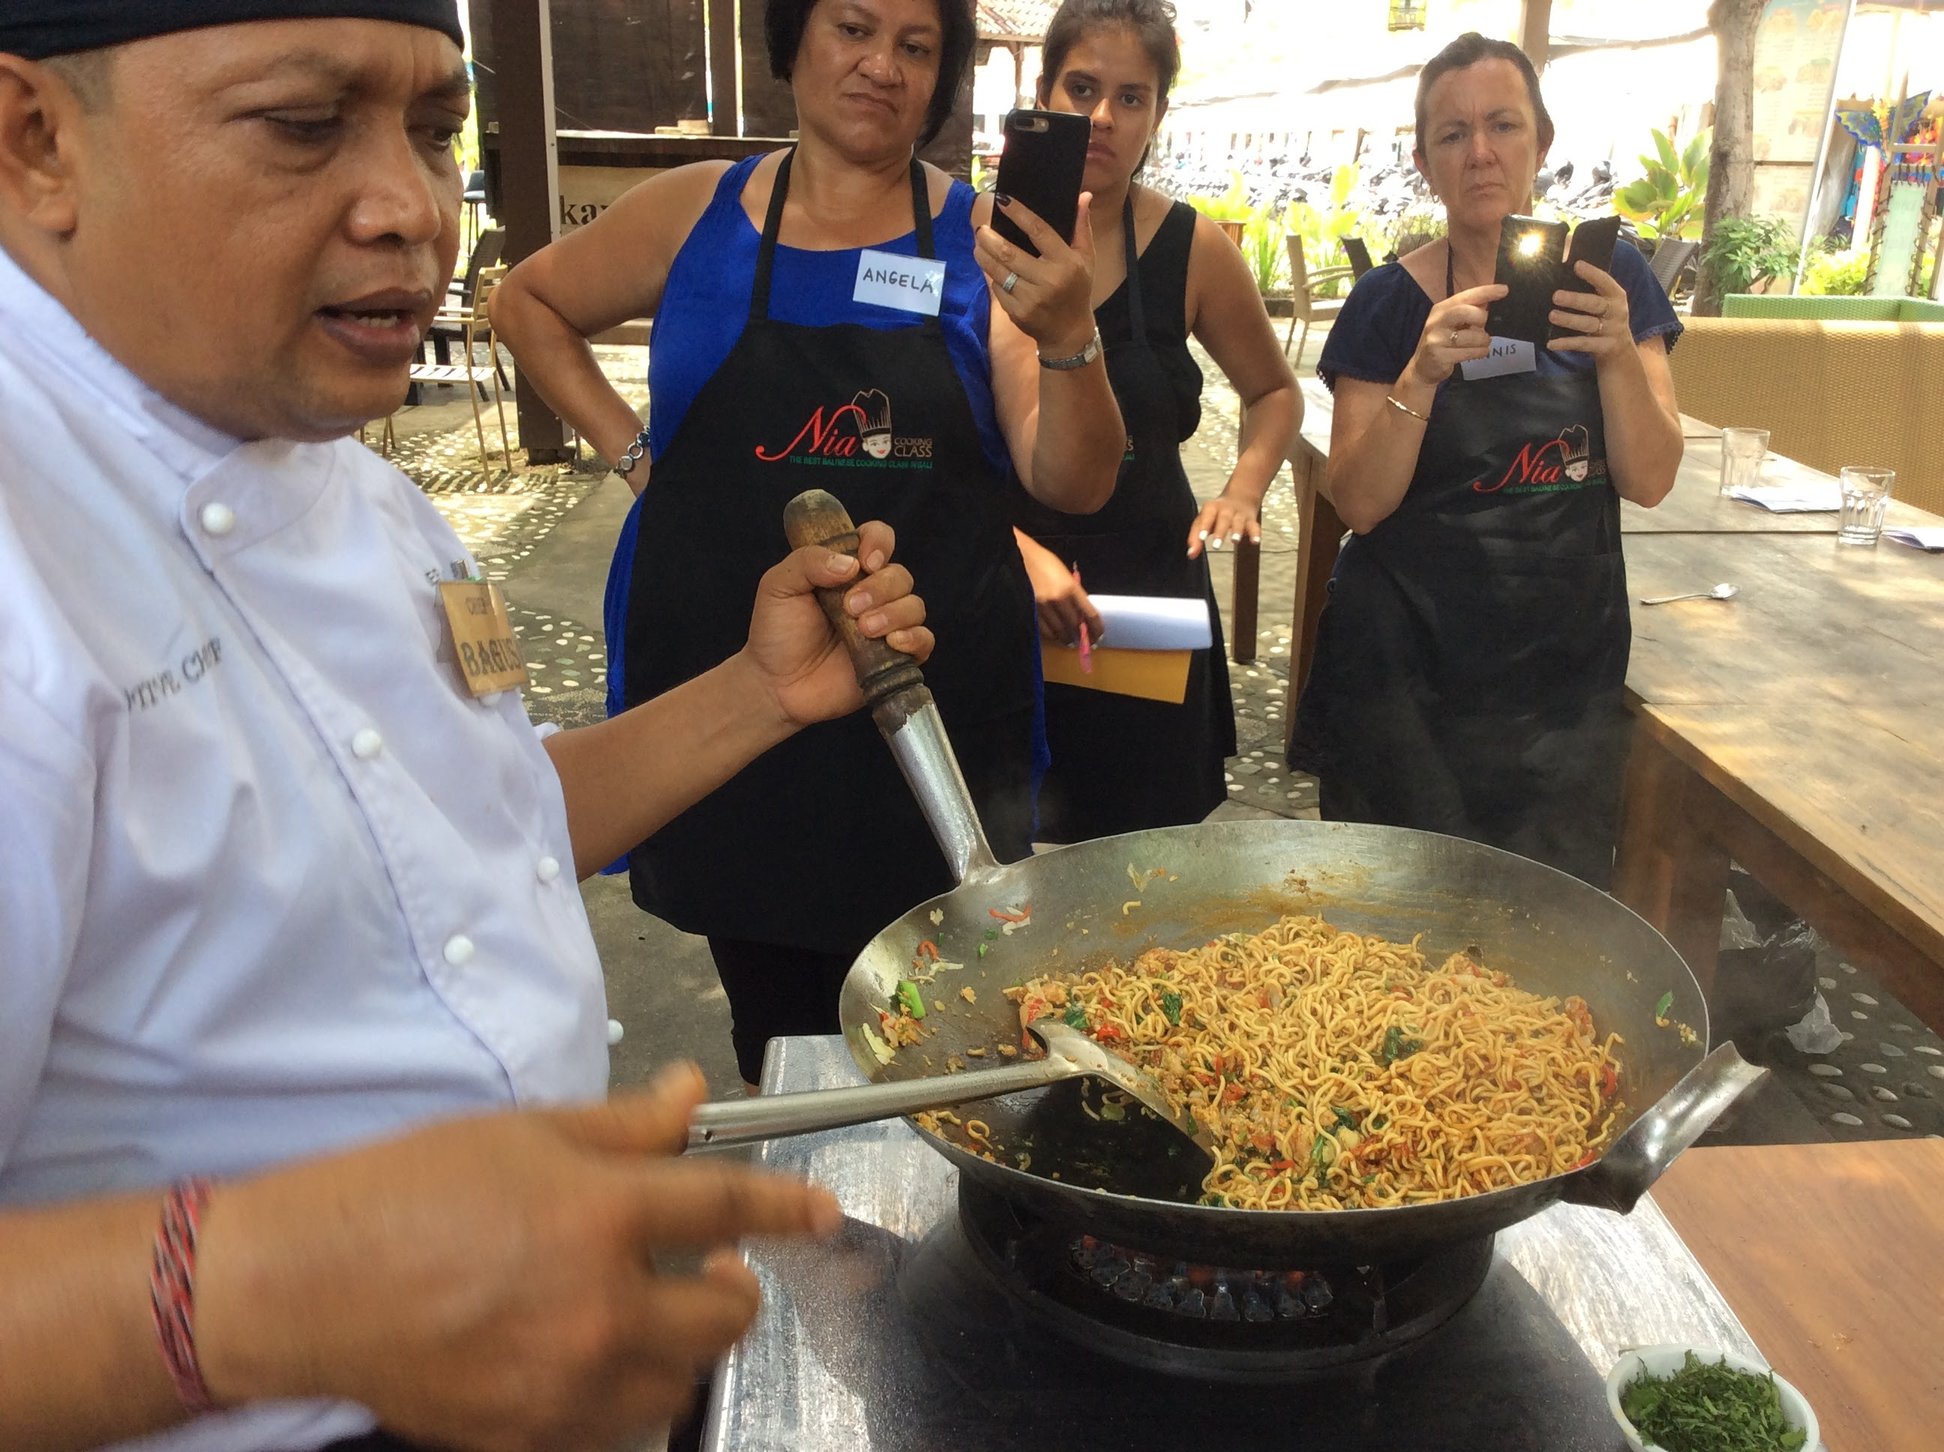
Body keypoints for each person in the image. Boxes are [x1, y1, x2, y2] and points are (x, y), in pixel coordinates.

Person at [0, 6, 939, 1449]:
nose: (414, 212)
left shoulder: (357, 483)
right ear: (34, 142)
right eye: (305, 127)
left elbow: (470, 836)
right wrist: (269, 1291)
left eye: (435, 133)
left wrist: (761, 692)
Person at [491, 0, 1125, 1088]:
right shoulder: (696, 214)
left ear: (941, 78)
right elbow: (527, 303)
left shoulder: (987, 245)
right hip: (731, 689)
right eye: (853, 29)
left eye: (916, 47)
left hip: (935, 693)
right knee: (779, 1020)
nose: (881, 65)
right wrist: (641, 458)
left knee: (947, 1017)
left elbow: (1073, 478)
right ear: (793, 44)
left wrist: (1070, 339)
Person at [1290, 31, 1683, 888]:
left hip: (1560, 665)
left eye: (1503, 125)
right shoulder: (1388, 303)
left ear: (1542, 142)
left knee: (1545, 918)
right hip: (1404, 668)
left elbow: (1651, 479)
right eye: (1452, 134)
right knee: (1390, 914)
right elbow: (1357, 502)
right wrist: (1422, 372)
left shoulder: (1613, 282)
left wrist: (1617, 353)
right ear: (1426, 162)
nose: (1480, 153)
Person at [1007, 0, 1300, 842]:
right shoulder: (981, 240)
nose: (1102, 116)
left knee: (1148, 850)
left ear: (1159, 115)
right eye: (1083, 87)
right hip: (1013, 586)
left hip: (1150, 594)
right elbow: (945, 441)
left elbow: (1275, 392)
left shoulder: (1192, 247)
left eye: (1131, 97)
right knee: (1013, 845)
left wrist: (1241, 492)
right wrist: (1016, 552)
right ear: (1045, 91)